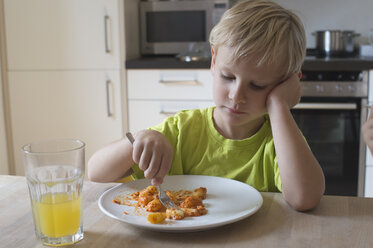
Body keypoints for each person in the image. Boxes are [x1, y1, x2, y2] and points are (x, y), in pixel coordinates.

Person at [88, 0, 325, 211]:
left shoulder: (279, 142)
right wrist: (138, 139)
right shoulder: (182, 130)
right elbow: (95, 173)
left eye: (258, 85)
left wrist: (279, 105)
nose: (236, 95)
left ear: (285, 84)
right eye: (228, 77)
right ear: (213, 61)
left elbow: (304, 199)